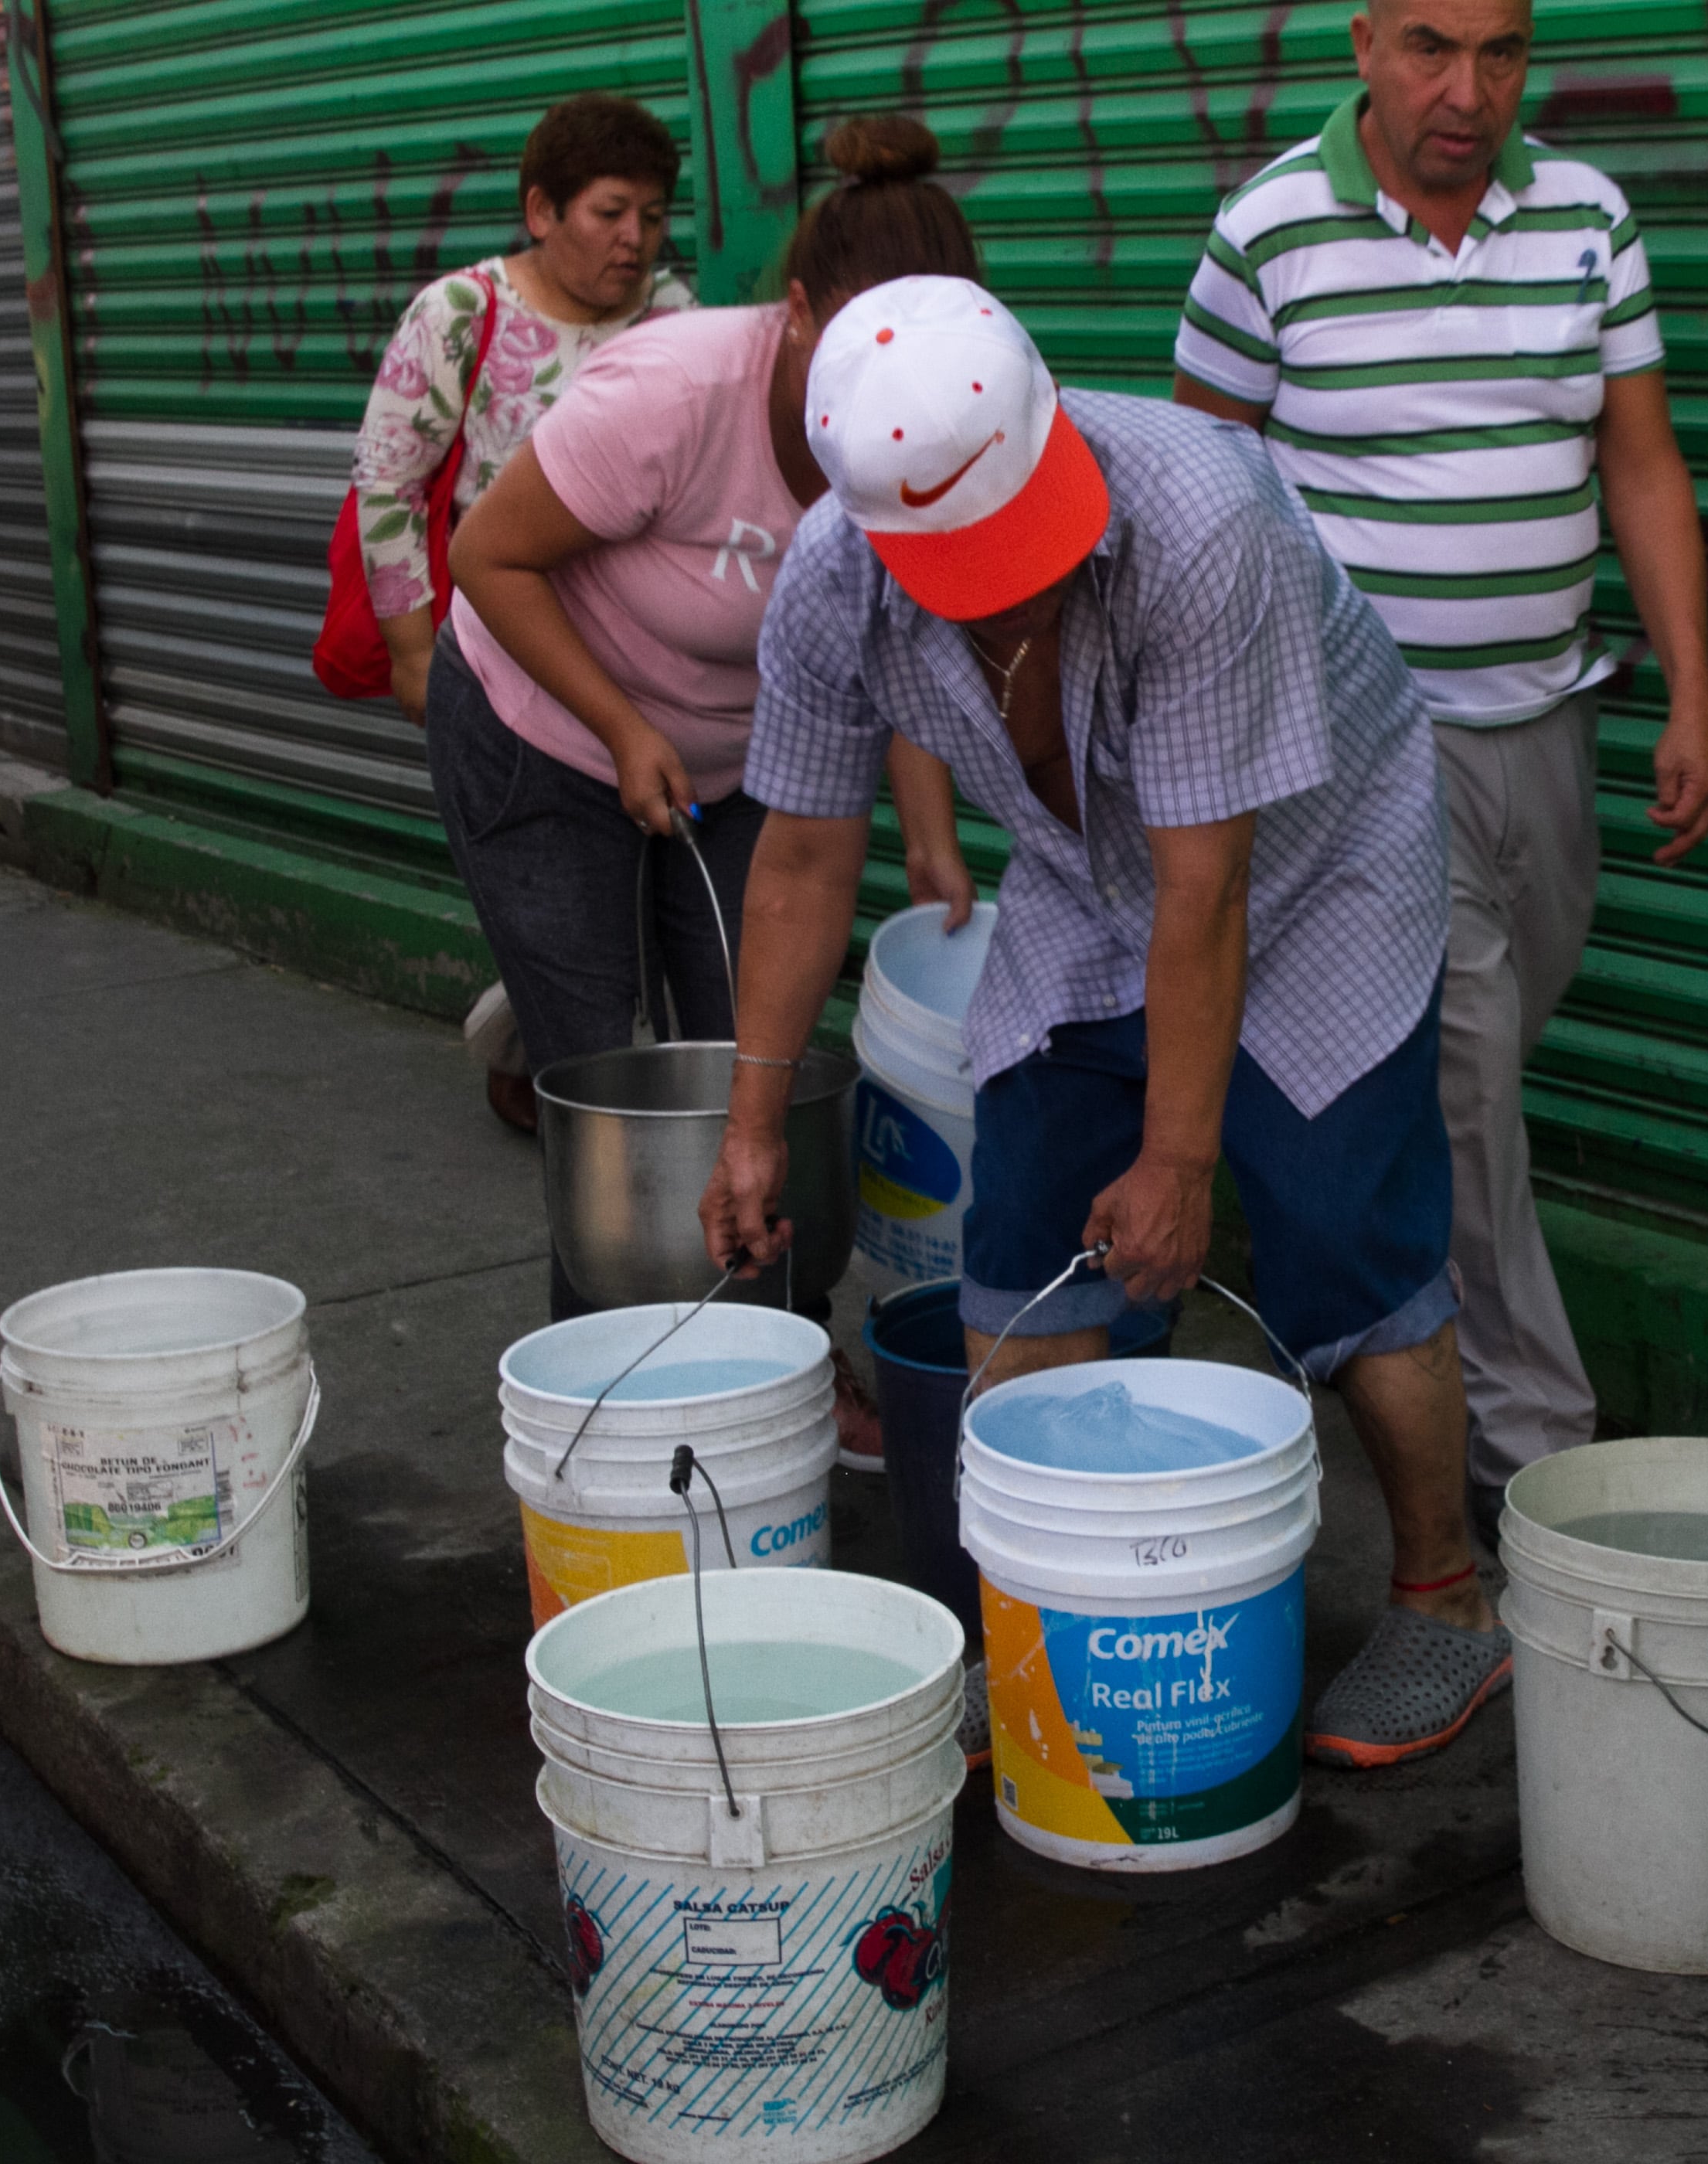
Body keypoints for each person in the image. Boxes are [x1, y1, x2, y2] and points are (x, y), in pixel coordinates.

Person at [699, 275, 1510, 1771]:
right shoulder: (830, 584)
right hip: (1086, 880)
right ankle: (1053, 1616)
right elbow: (804, 857)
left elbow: (1211, 891)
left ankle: (1446, 1601)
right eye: (970, 566)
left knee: (1342, 1230)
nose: (1018, 585)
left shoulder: (1206, 522)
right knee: (1025, 1238)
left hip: (1318, 869)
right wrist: (751, 1122)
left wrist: (1183, 1159)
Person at [1172, 0, 1708, 1543]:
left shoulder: (1588, 219)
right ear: (1362, 43)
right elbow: (1200, 488)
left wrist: (1692, 686)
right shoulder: (1270, 231)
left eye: (1501, 52)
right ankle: (1533, 1463)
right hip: (1362, 757)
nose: (1465, 90)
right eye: (1429, 46)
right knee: (1470, 1088)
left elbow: (1639, 457)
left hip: (1546, 727)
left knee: (1484, 1060)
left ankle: (1358, 1309)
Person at [439, 116, 981, 1482]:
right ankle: (613, 1418)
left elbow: (900, 621)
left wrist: (927, 838)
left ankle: (784, 1384)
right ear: (794, 313)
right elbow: (486, 555)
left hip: (750, 766)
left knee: (765, 1078)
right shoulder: (675, 390)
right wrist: (618, 726)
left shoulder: (946, 404)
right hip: (544, 730)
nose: (883, 399)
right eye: (854, 355)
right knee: (611, 1092)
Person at [352, 94, 695, 1134]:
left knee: (640, 900)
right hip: (504, 671)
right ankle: (554, 1064)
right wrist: (416, 649)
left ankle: (561, 1054)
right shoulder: (464, 314)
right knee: (553, 897)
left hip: (651, 675)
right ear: (542, 211)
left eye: (651, 213)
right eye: (608, 212)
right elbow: (388, 484)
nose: (634, 239)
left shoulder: (672, 315)